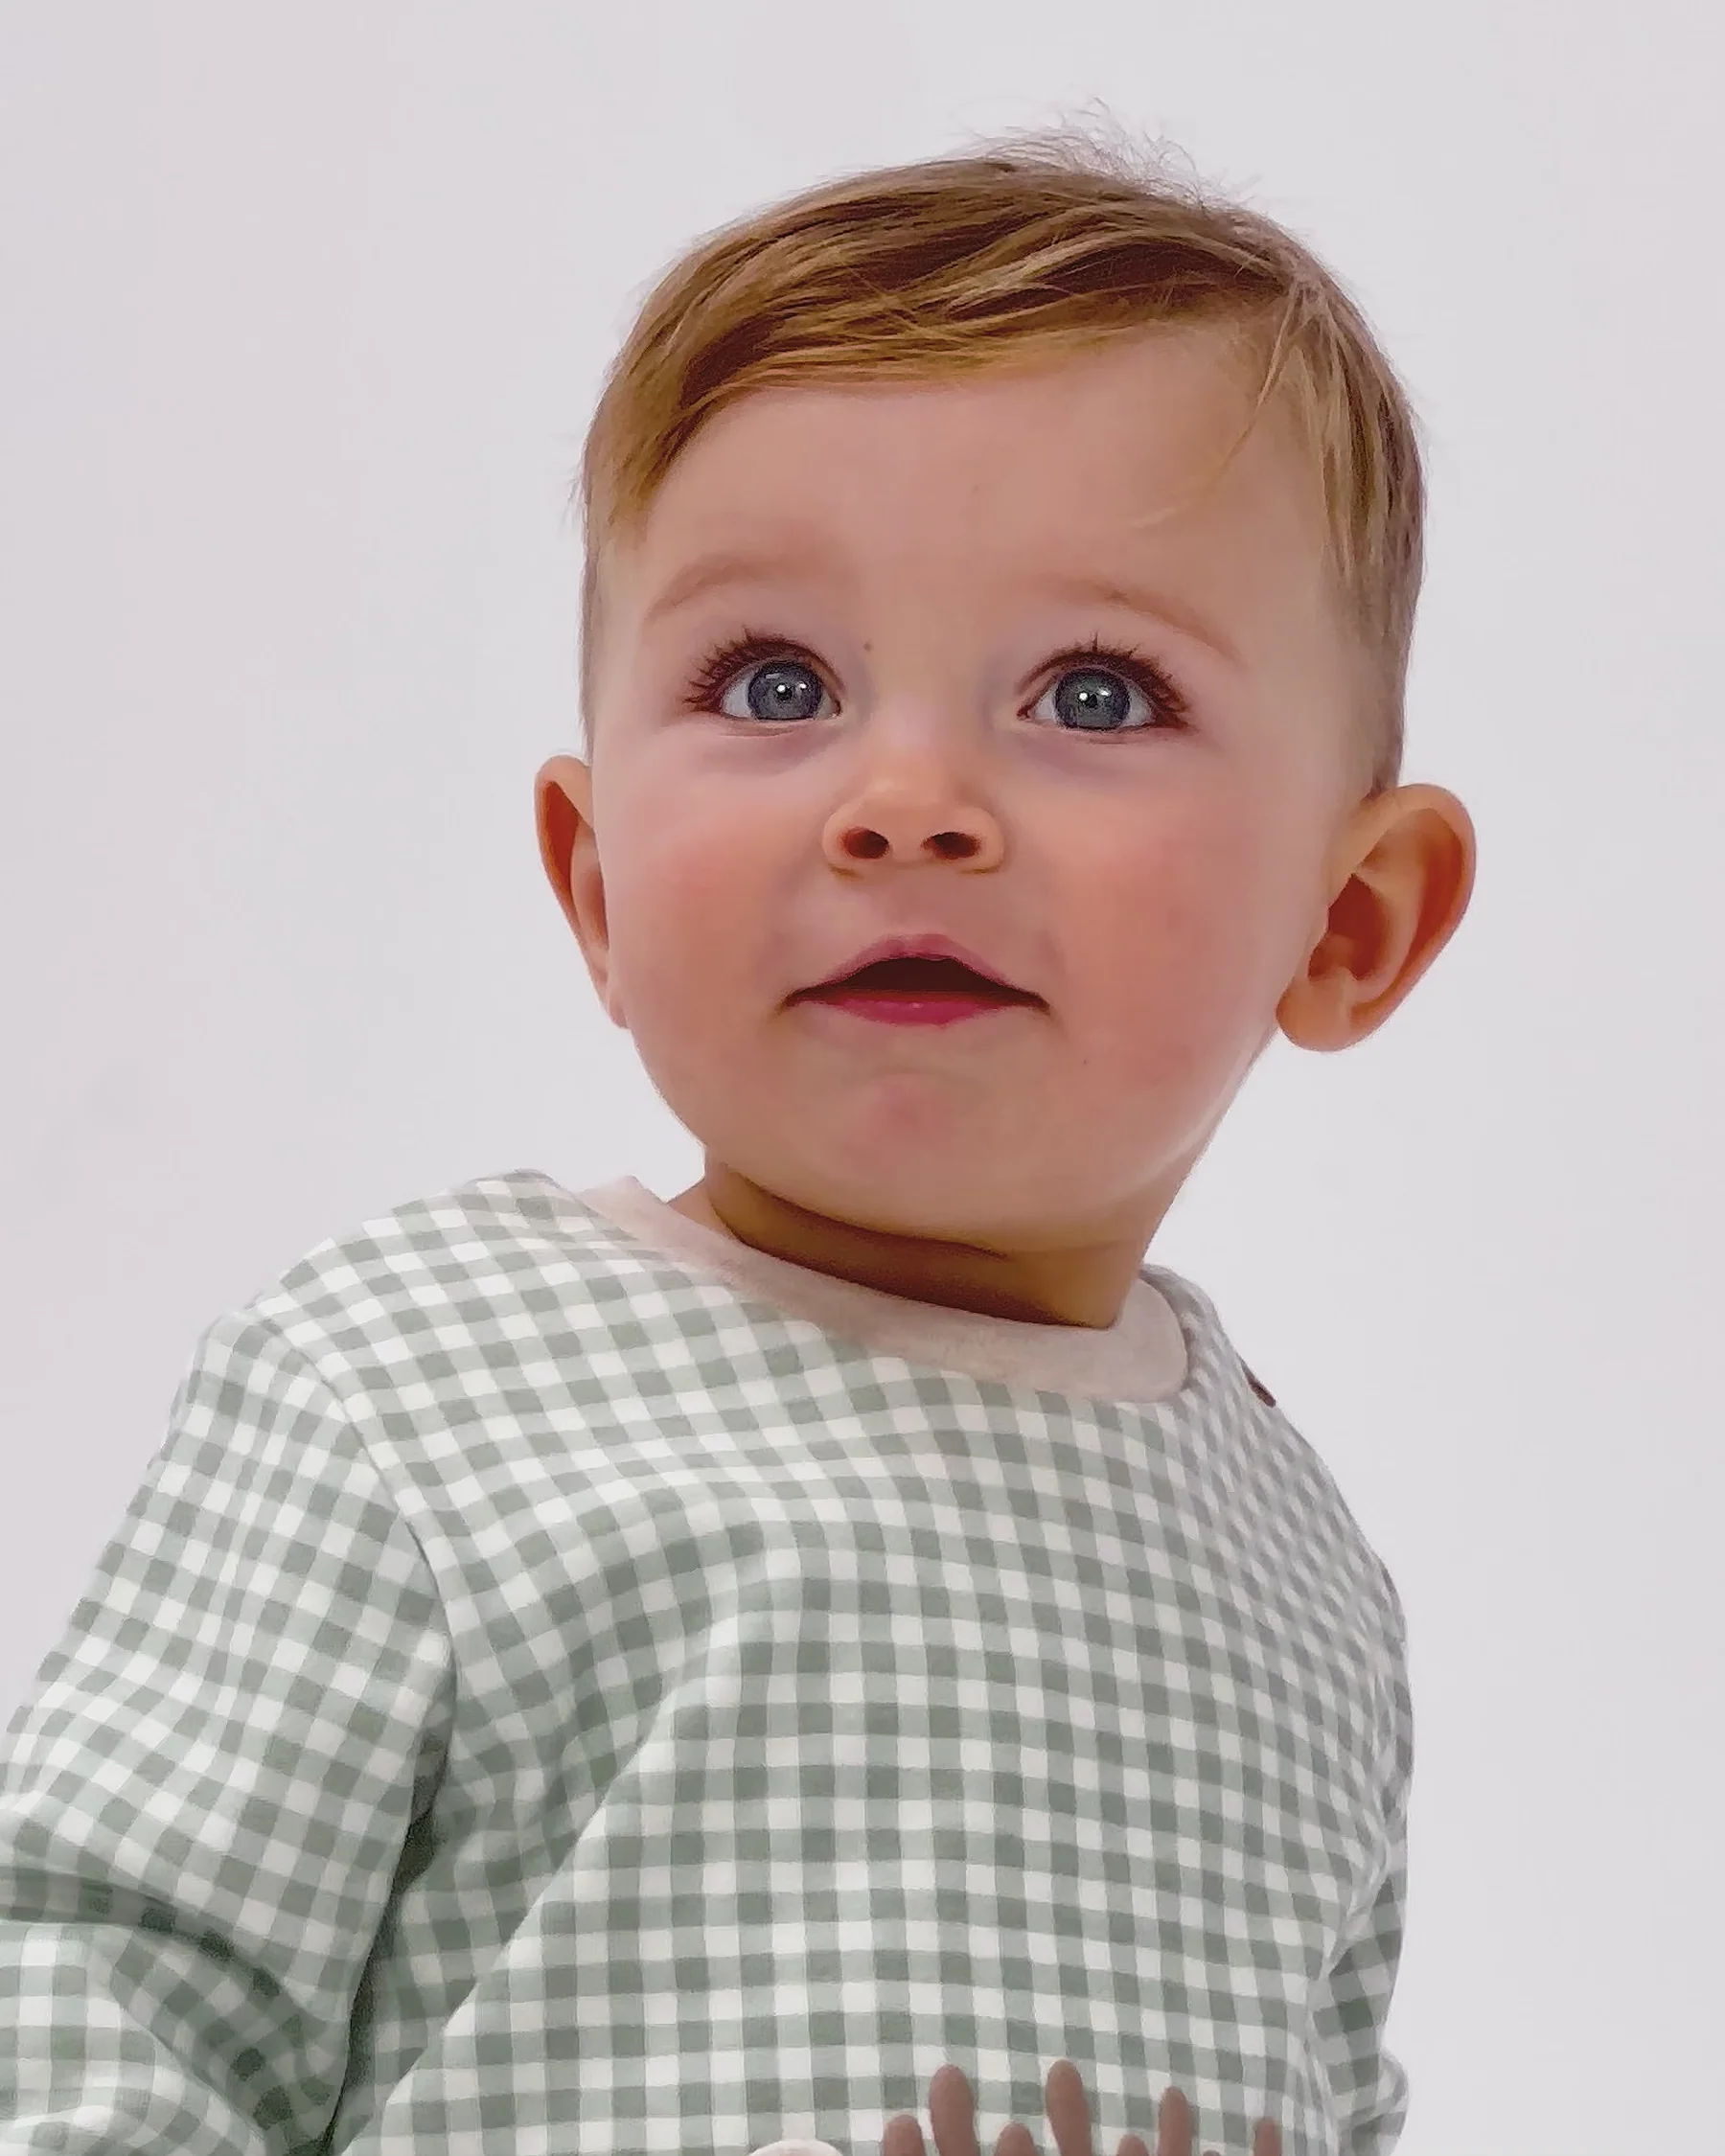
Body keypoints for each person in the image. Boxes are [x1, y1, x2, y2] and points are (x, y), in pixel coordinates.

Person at [0, 126, 1474, 2156]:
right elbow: (86, 1996)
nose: (909, 800)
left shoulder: (1298, 1571)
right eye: (776, 682)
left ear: (1350, 920)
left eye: (1094, 694)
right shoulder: (417, 1385)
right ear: (598, 884)